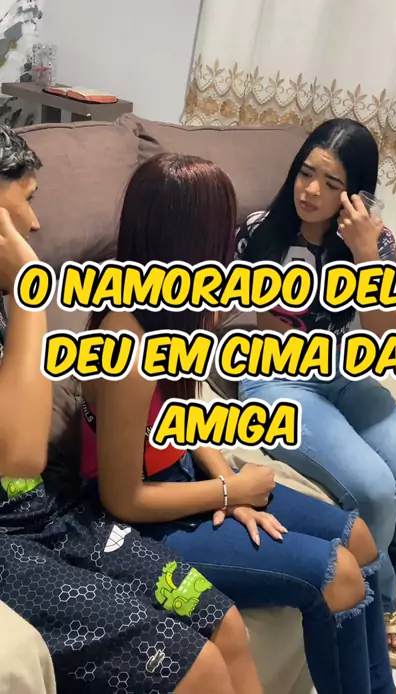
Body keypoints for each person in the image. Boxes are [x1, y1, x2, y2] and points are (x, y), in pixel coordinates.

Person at [82, 151, 396, 694]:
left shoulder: (180, 308)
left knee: (361, 539)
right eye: (220, 231)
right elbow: (121, 498)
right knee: (337, 573)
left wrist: (225, 479)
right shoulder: (125, 339)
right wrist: (228, 492)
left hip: (184, 477)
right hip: (139, 525)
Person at [0, 126, 259, 694]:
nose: (36, 225)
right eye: (25, 202)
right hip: (10, 535)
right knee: (199, 668)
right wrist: (27, 293)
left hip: (49, 507)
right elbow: (19, 456)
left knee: (227, 627)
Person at [235, 117, 396, 669]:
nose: (310, 191)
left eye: (331, 183)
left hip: (346, 373)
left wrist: (366, 260)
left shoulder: (375, 242)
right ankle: (381, 599)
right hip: (277, 380)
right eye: (305, 173)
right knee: (375, 490)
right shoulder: (261, 232)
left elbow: (383, 336)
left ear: (355, 194)